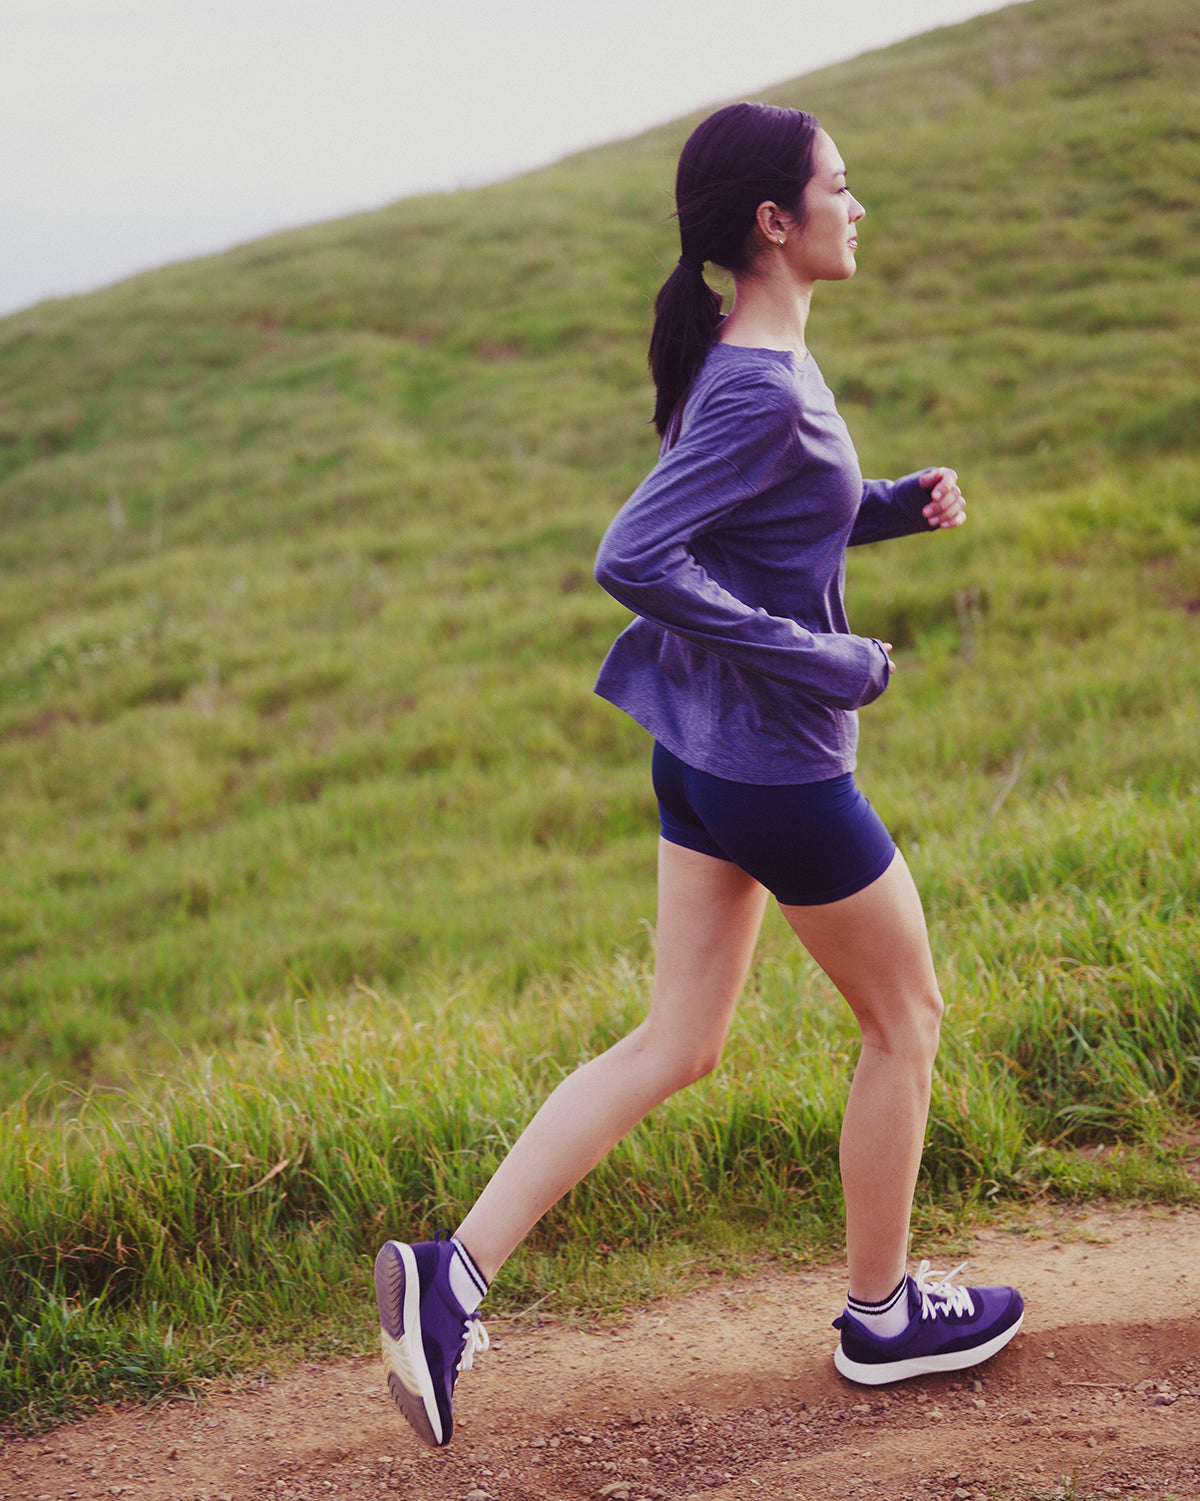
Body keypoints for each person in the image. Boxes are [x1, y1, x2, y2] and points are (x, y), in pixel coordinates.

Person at [373, 100, 1024, 1450]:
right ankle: (883, 1315)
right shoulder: (756, 381)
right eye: (840, 186)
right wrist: (823, 658)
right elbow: (634, 554)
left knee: (678, 1040)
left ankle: (451, 1273)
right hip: (775, 765)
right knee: (908, 1019)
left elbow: (758, 516)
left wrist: (885, 505)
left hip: (701, 757)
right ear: (774, 222)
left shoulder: (757, 356)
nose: (861, 204)